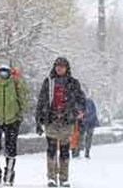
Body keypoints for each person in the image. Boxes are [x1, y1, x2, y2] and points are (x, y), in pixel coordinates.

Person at [35, 57, 85, 187]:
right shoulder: (48, 82)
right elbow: (41, 101)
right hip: (50, 120)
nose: (59, 68)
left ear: (67, 68)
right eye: (57, 65)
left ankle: (64, 178)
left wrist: (79, 111)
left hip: (66, 121)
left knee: (64, 150)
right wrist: (38, 119)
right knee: (51, 150)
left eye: (62, 66)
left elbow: (81, 99)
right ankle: (51, 178)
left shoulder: (73, 83)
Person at [0, 64, 29, 187]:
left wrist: (19, 116)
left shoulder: (16, 83)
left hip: (12, 120)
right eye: (1, 72)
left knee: (11, 150)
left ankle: (8, 177)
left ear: (10, 73)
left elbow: (22, 99)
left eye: (6, 72)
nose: (3, 74)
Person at [80, 94, 99, 158]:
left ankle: (85, 151)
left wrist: (84, 119)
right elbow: (94, 112)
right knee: (87, 137)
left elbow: (93, 112)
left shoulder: (87, 102)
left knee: (84, 137)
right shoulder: (89, 101)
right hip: (88, 123)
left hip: (86, 123)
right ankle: (86, 151)